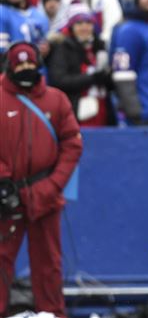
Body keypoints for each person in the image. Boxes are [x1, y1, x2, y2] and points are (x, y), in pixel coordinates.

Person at [0, 41, 83, 318]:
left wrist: (53, 185)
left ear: (39, 64)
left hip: (45, 196)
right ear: (10, 67)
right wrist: (3, 183)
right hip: (6, 198)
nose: (25, 68)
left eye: (29, 63)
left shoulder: (56, 99)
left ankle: (53, 314)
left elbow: (72, 143)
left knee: (48, 266)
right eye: (19, 64)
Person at [48, 4, 113, 127]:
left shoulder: (100, 47)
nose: (84, 27)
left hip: (102, 110)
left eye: (88, 23)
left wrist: (108, 77)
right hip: (77, 112)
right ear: (72, 27)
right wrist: (92, 78)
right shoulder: (63, 48)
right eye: (79, 23)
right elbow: (59, 80)